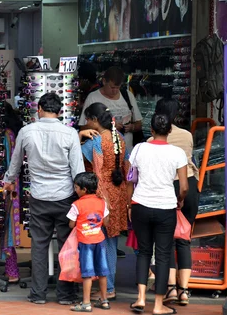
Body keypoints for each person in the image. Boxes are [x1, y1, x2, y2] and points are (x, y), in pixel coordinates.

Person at [2, 92, 84, 305]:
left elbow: (16, 163)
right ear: (60, 112)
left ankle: (38, 294)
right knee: (67, 246)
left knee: (39, 246)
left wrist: (9, 180)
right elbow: (78, 170)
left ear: (39, 109)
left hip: (38, 196)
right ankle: (65, 295)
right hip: (65, 196)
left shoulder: (26, 132)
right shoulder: (70, 133)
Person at [129, 113, 188, 315]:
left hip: (140, 205)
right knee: (163, 255)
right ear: (169, 130)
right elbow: (184, 187)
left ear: (151, 130)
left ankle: (140, 298)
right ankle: (158, 305)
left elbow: (131, 178)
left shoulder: (138, 149)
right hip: (165, 207)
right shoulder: (177, 153)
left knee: (144, 252)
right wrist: (179, 200)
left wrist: (130, 204)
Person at [152, 99, 200, 306]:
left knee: (165, 242)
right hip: (188, 186)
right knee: (184, 238)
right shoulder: (187, 135)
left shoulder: (152, 139)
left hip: (167, 188)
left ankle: (170, 289)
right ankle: (184, 291)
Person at [81, 102, 130, 300]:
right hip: (118, 194)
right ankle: (109, 286)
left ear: (94, 120)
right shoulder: (119, 138)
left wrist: (78, 138)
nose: (85, 123)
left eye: (87, 119)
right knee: (111, 243)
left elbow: (84, 165)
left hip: (102, 197)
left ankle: (106, 288)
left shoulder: (95, 142)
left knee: (98, 243)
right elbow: (127, 168)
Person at [67, 172, 110, 312]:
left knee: (87, 273)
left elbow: (71, 225)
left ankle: (86, 303)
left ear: (84, 189)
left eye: (76, 187)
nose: (75, 190)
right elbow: (106, 222)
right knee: (102, 271)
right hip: (100, 240)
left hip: (85, 242)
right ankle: (104, 300)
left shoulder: (76, 205)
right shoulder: (102, 203)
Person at [79, 66, 142, 151]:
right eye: (112, 87)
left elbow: (139, 124)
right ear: (104, 81)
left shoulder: (127, 95)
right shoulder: (93, 98)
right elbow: (83, 128)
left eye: (118, 87)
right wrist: (109, 127)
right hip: (102, 152)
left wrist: (131, 127)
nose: (115, 91)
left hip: (126, 151)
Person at [0, 102, 23, 283]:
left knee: (8, 227)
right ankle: (10, 270)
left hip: (8, 187)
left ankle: (12, 271)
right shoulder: (12, 134)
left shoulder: (7, 136)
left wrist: (7, 185)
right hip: (9, 185)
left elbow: (10, 164)